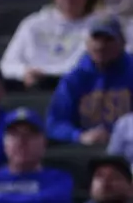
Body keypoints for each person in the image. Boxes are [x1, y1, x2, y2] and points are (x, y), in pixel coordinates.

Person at [1, 0, 98, 89]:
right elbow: (7, 64)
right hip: (35, 88)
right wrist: (24, 72)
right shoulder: (32, 24)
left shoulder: (99, 26)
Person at [47, 15, 133, 145]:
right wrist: (79, 136)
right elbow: (54, 124)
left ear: (122, 43)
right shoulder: (74, 78)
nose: (100, 46)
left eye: (108, 39)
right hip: (86, 149)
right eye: (96, 38)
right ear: (87, 43)